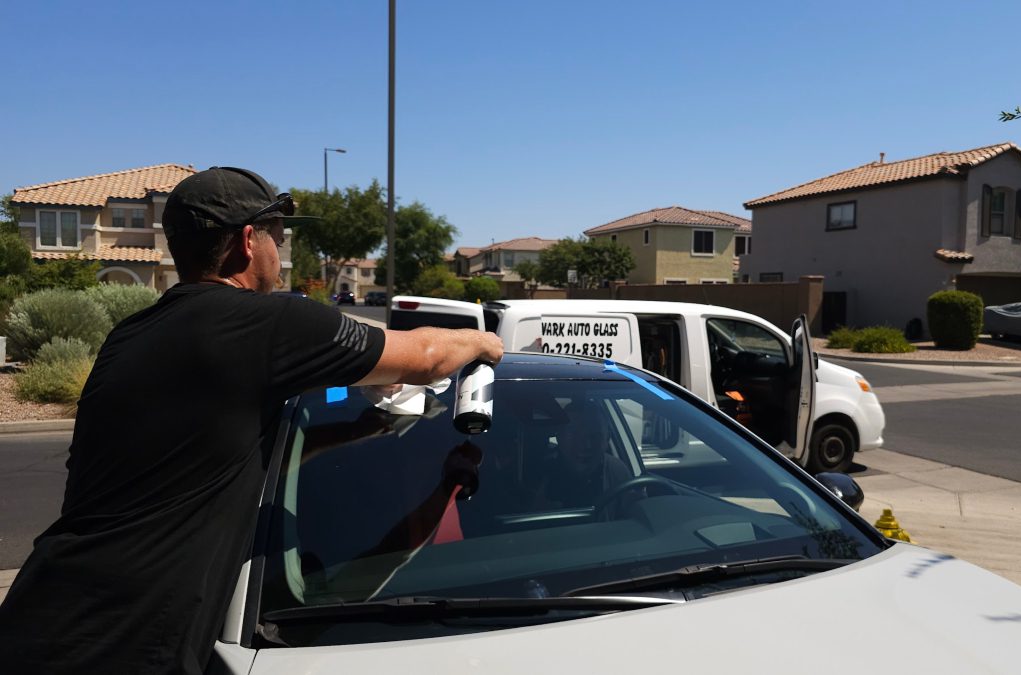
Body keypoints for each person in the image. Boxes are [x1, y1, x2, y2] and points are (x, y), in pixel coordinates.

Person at [0, 167, 503, 675]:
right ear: (247, 241)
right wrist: (481, 342)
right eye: (278, 238)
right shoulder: (267, 324)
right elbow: (425, 357)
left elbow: (215, 452)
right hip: (121, 643)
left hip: (39, 615)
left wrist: (358, 430)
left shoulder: (131, 336)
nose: (281, 256)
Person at [534, 402, 633, 510]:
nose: (586, 445)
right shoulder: (537, 474)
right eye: (574, 434)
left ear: (607, 439)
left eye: (595, 435)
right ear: (559, 437)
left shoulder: (616, 471)